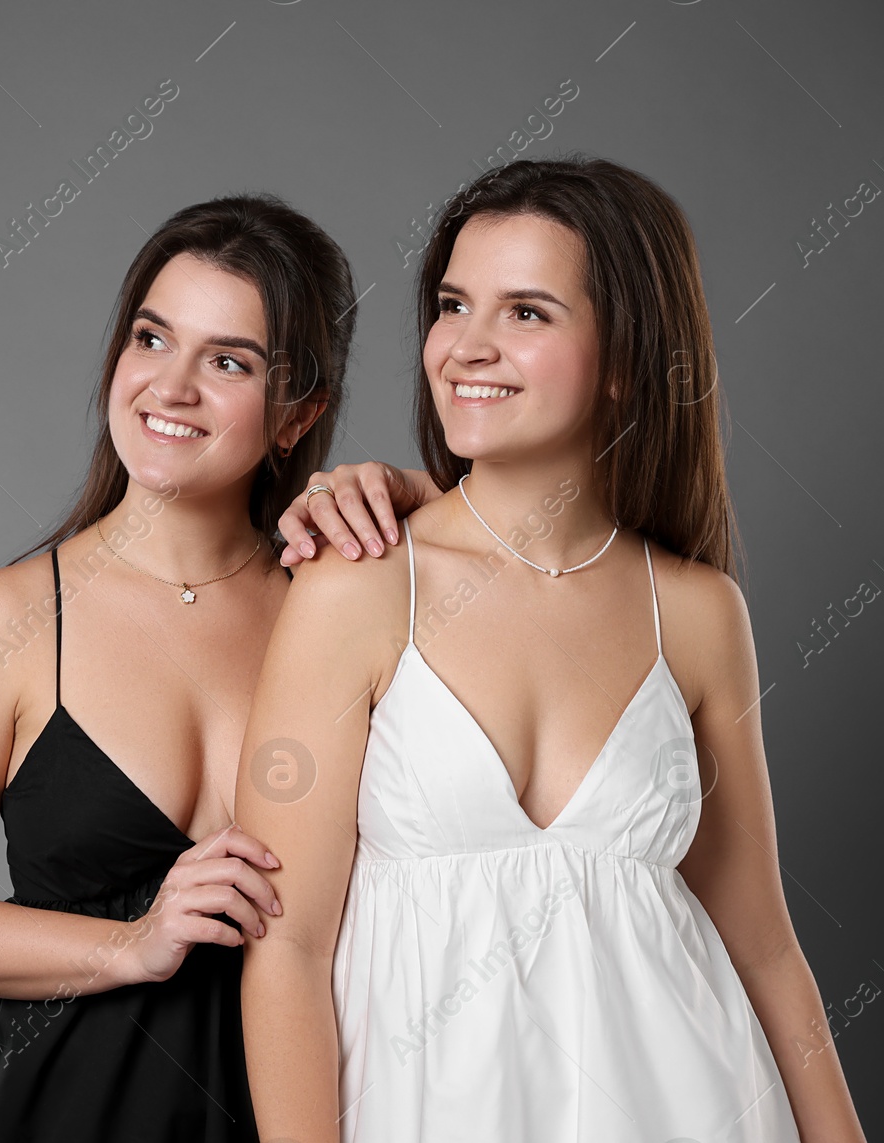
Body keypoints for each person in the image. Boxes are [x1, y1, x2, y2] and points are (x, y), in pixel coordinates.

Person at [238, 157, 867, 1141]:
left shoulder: (697, 612)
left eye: (526, 313)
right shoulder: (353, 591)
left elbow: (763, 947)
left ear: (622, 358)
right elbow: (288, 952)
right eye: (452, 305)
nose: (464, 348)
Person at [0, 193, 431, 1141]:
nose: (171, 386)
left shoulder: (345, 608)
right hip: (54, 1105)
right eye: (152, 339)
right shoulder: (8, 617)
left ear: (298, 417)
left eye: (229, 361)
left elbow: (558, 574)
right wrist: (135, 942)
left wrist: (422, 495)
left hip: (295, 1107)